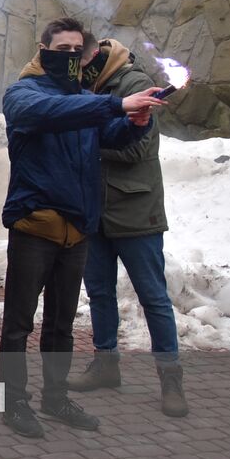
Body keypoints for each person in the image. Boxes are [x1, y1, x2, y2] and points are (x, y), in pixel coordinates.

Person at [0, 18, 167, 438]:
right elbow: (50, 113)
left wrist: (133, 122)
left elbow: (106, 134)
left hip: (76, 229)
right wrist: (114, 105)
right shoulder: (24, 93)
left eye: (78, 49)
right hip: (35, 226)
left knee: (60, 323)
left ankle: (55, 397)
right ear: (43, 50)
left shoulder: (85, 99)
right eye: (62, 49)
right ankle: (14, 402)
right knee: (19, 322)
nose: (71, 56)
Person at [68, 39, 186, 416]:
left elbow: (136, 149)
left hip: (135, 211)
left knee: (153, 297)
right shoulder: (90, 88)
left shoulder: (134, 84)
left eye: (81, 59)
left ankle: (171, 380)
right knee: (99, 292)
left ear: (97, 57)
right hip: (95, 210)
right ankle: (106, 364)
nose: (77, 68)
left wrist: (81, 142)